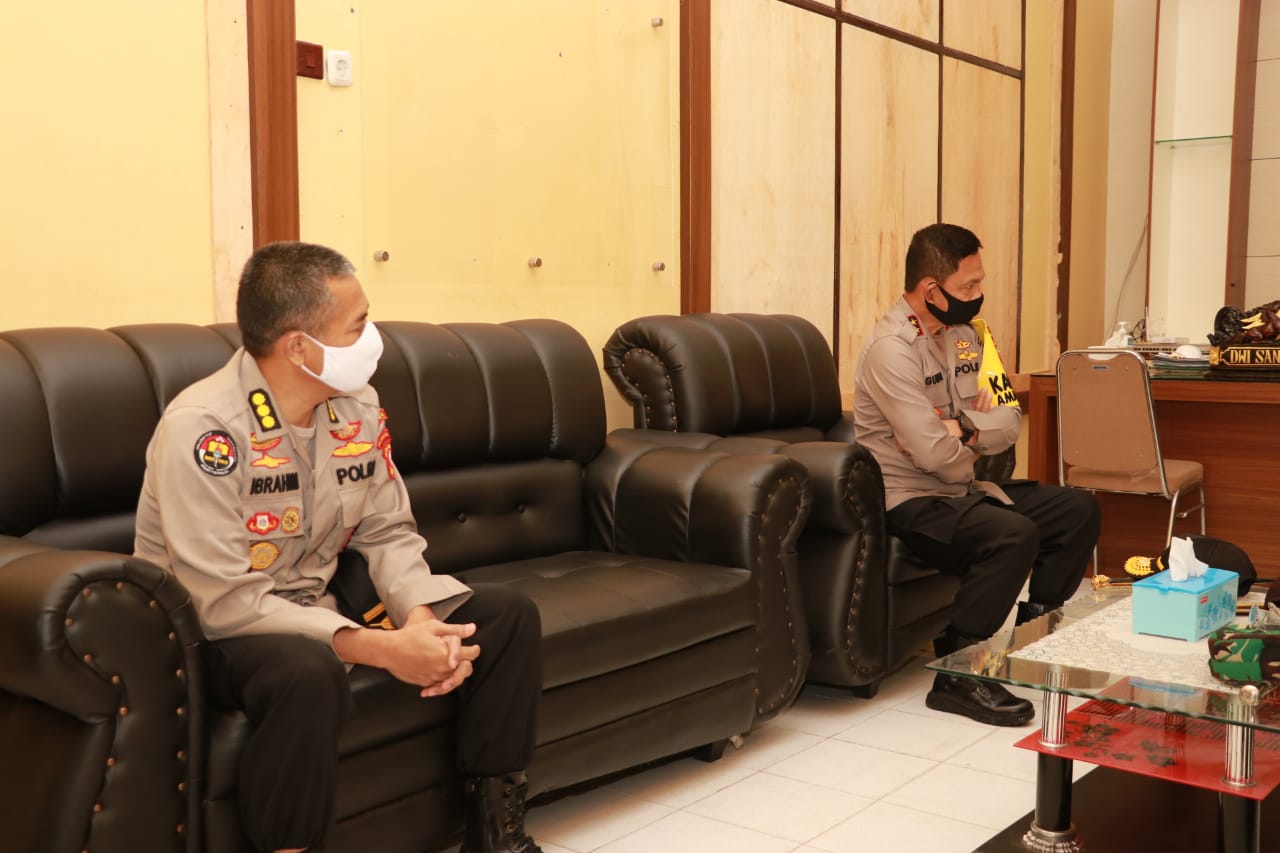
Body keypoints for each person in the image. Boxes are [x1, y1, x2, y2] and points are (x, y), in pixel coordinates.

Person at [134, 241, 543, 853]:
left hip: (318, 602)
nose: (372, 339)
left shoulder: (356, 408)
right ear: (299, 347)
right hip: (213, 632)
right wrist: (382, 649)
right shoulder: (205, 430)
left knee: (505, 616)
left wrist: (419, 619)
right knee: (307, 671)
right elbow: (223, 601)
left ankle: (495, 837)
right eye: (358, 325)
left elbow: (387, 531)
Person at [853, 223, 1101, 727]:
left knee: (1077, 508)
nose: (977, 294)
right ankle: (958, 676)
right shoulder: (891, 350)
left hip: (964, 489)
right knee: (1013, 533)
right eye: (968, 286)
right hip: (911, 500)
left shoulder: (970, 338)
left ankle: (1032, 643)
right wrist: (962, 440)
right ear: (931, 289)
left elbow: (1009, 422)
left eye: (978, 283)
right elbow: (930, 455)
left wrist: (961, 428)